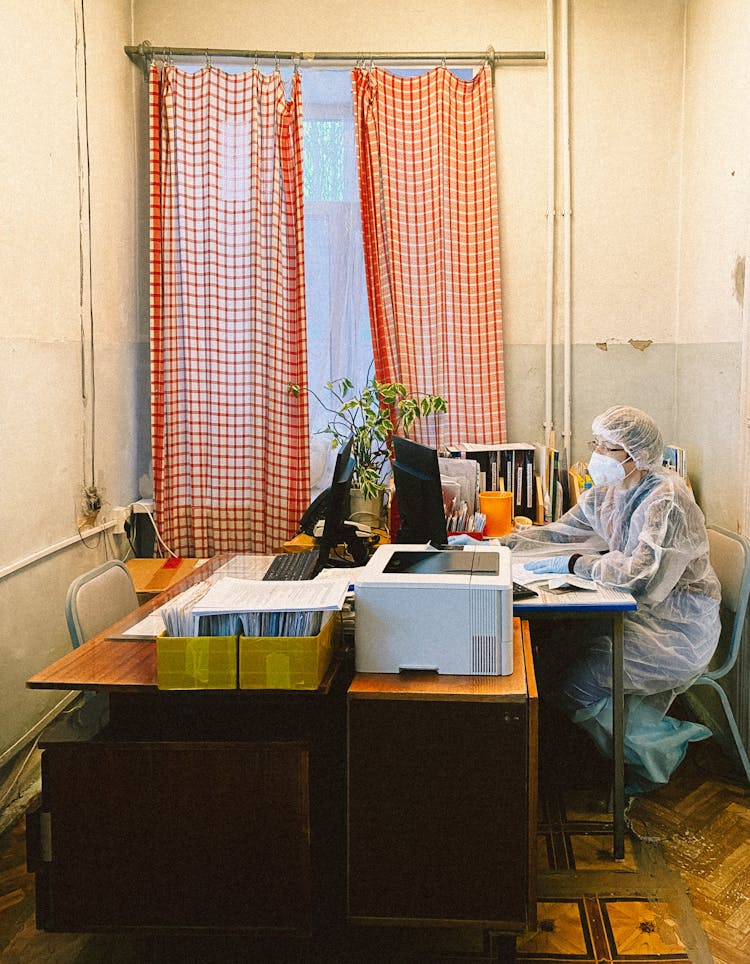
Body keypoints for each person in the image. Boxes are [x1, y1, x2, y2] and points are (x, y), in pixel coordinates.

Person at [500, 405, 721, 792]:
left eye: (609, 448)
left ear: (637, 454)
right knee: (551, 657)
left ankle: (661, 751)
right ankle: (590, 756)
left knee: (577, 684)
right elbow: (558, 532)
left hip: (677, 629)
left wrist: (576, 563)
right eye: (596, 444)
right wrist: (493, 545)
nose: (597, 457)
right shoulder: (609, 493)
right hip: (642, 615)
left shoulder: (665, 500)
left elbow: (639, 577)